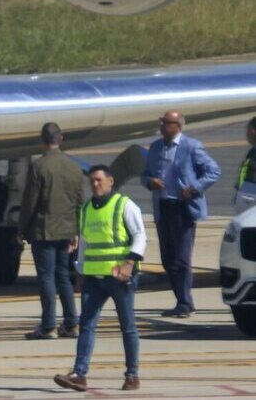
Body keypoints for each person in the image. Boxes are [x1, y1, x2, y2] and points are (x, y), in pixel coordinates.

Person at [54, 165, 146, 392]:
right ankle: (79, 373)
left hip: (119, 278)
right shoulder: (86, 209)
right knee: (86, 325)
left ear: (110, 181)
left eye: (99, 180)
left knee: (128, 327)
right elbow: (84, 244)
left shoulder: (124, 205)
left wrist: (129, 262)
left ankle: (132, 375)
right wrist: (80, 271)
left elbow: (140, 235)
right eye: (92, 181)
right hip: (94, 278)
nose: (95, 184)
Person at [140, 110, 220, 318]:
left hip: (182, 209)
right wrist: (150, 182)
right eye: (161, 122)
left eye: (166, 123)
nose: (162, 126)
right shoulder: (156, 147)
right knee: (168, 259)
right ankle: (182, 300)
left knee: (182, 258)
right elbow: (145, 174)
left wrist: (194, 188)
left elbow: (213, 171)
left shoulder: (191, 146)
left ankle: (184, 302)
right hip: (163, 207)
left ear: (178, 126)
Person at [18, 123, 82, 340]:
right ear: (61, 139)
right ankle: (72, 323)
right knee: (63, 276)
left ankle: (48, 326)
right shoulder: (73, 167)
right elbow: (79, 201)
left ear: (42, 140)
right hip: (66, 230)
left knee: (46, 278)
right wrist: (76, 231)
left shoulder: (39, 166)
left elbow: (30, 202)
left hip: (44, 230)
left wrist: (21, 229)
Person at [235, 117, 256, 196]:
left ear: (253, 132)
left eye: (248, 131)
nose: (246, 135)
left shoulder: (253, 153)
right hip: (247, 196)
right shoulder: (252, 152)